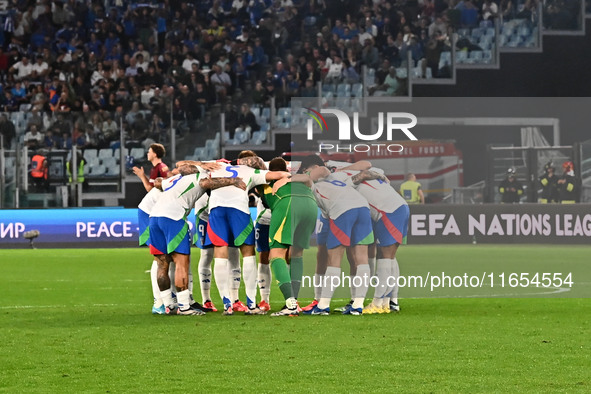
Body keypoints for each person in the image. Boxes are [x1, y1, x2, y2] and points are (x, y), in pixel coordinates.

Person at [149, 163, 244, 315]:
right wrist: (233, 181)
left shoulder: (176, 180)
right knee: (182, 262)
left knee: (162, 263)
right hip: (173, 218)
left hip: (154, 218)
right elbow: (206, 183)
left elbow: (158, 182)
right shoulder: (200, 176)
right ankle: (184, 307)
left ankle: (168, 305)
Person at [204, 155, 291, 315]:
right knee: (248, 254)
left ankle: (227, 305)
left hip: (216, 210)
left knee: (220, 255)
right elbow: (279, 174)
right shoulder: (251, 171)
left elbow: (201, 181)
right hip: (239, 210)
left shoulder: (216, 167)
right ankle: (251, 305)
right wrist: (283, 178)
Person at [298, 155, 374, 316]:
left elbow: (321, 170)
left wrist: (285, 180)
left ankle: (323, 305)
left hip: (343, 210)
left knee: (334, 258)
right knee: (362, 258)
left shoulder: (311, 181)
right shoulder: (338, 177)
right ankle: (357, 305)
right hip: (362, 207)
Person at [256, 157, 318, 316]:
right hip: (311, 205)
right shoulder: (296, 179)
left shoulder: (264, 180)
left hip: (288, 204)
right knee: (297, 253)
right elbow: (309, 178)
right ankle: (294, 302)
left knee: (276, 254)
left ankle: (290, 304)